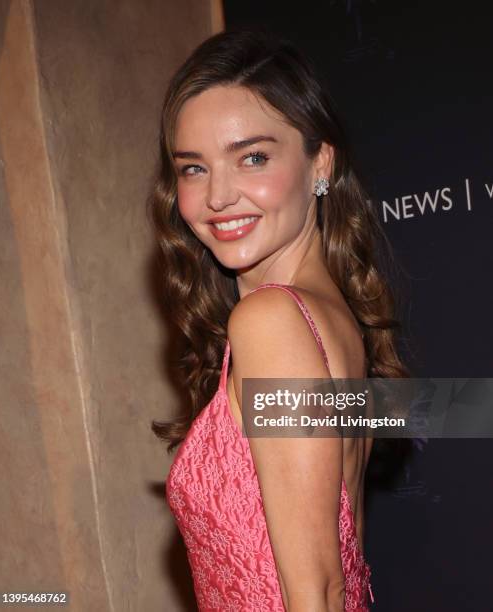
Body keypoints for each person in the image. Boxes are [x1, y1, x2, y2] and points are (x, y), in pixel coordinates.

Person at [150, 27, 408, 611]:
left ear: (321, 163)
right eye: (193, 168)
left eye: (253, 158)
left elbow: (315, 592)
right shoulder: (330, 319)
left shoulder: (271, 320)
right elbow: (341, 575)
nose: (218, 196)